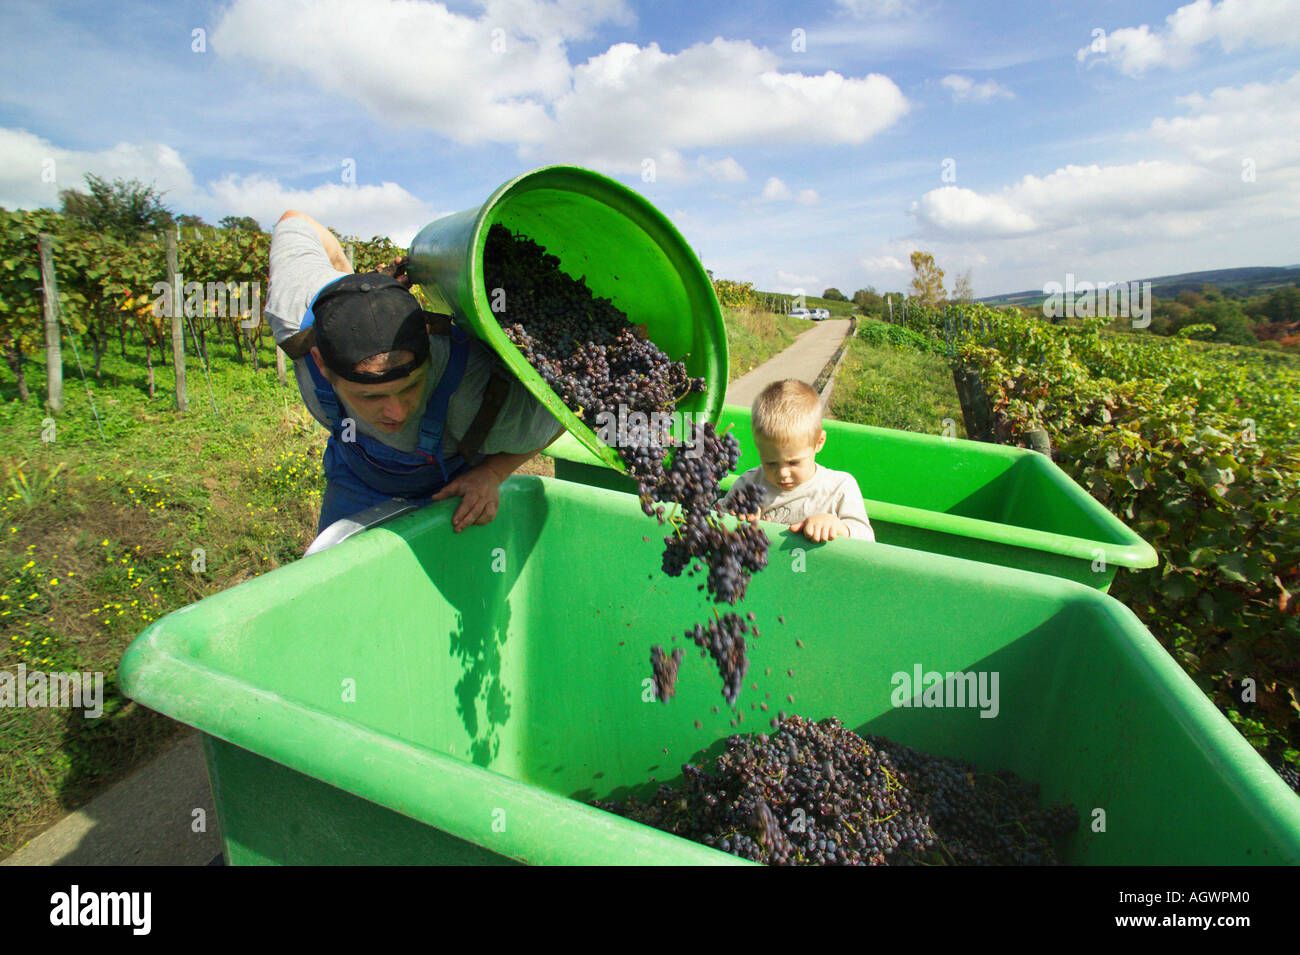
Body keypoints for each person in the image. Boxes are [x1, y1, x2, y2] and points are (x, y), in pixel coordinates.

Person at [264, 210, 564, 535]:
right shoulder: (294, 315)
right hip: (353, 482)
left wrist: (493, 473)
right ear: (321, 364)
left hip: (451, 496)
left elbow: (564, 414)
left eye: (411, 386)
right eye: (371, 396)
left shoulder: (469, 390)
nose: (396, 411)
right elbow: (294, 219)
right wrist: (346, 279)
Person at [719, 379, 875, 543]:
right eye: (770, 463)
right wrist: (735, 517)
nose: (783, 473)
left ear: (819, 442)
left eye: (794, 463)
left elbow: (868, 539)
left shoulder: (839, 488)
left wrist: (838, 527)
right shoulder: (749, 484)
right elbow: (716, 518)